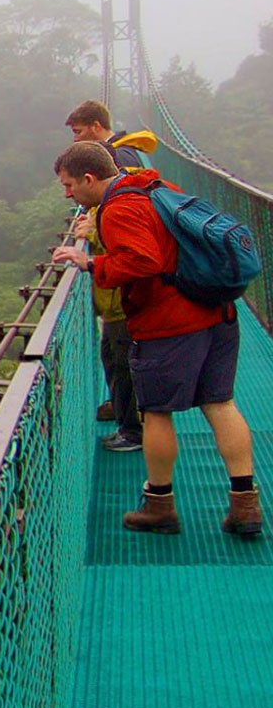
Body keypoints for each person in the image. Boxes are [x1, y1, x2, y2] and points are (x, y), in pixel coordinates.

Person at [51, 141, 262, 537]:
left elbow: (142, 260)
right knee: (220, 404)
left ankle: (160, 505)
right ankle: (245, 505)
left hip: (170, 324)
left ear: (89, 178)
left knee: (156, 413)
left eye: (68, 185)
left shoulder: (118, 208)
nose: (68, 195)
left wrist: (92, 262)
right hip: (216, 311)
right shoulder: (155, 186)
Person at [63, 100, 157, 449]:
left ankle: (132, 428)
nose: (68, 194)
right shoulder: (120, 157)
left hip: (125, 295)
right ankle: (124, 412)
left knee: (123, 359)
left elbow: (134, 249)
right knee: (116, 357)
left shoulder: (122, 164)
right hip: (120, 293)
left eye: (78, 131)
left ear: (96, 125)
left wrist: (91, 251)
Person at [64, 98, 151, 169]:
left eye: (78, 132)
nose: (75, 139)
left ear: (96, 126)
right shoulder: (121, 151)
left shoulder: (119, 157)